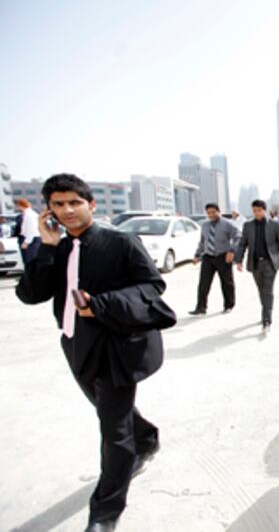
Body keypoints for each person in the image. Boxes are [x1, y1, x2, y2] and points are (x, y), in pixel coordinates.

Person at [16, 174, 175, 532]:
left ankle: (104, 513)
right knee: (108, 409)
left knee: (113, 431)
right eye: (58, 204)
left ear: (92, 204)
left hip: (115, 346)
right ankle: (147, 438)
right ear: (49, 210)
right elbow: (30, 294)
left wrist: (101, 305)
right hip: (74, 344)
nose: (67, 210)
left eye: (74, 202)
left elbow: (152, 286)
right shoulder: (55, 246)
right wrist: (45, 246)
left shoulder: (120, 242)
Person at [234, 199, 279, 333]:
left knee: (267, 291)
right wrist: (239, 260)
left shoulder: (274, 225)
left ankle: (266, 321)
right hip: (255, 263)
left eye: (259, 210)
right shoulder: (248, 226)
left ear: (264, 210)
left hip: (270, 263)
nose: (257, 213)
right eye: (254, 211)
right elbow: (243, 244)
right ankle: (266, 311)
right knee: (261, 290)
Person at [189, 203, 241, 316]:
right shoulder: (205, 226)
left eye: (213, 212)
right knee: (203, 283)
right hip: (208, 257)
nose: (211, 215)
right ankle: (201, 308)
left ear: (219, 211)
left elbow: (238, 236)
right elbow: (203, 242)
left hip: (223, 256)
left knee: (226, 282)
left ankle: (228, 305)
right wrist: (197, 255)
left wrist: (232, 251)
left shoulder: (227, 224)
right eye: (208, 213)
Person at [14, 198, 41, 266]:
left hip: (31, 240)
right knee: (29, 261)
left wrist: (26, 242)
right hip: (31, 239)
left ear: (19, 205)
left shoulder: (29, 215)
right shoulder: (28, 213)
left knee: (30, 261)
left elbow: (31, 229)